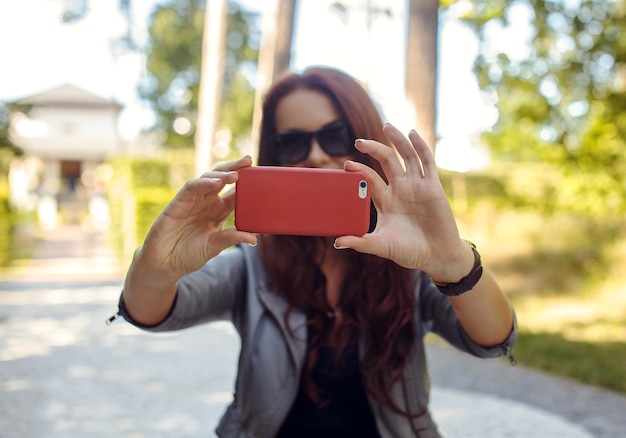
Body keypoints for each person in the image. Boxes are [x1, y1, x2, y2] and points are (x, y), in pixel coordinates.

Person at [116, 66, 517, 437]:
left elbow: (493, 340)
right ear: (274, 156)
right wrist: (155, 267)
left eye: (335, 136)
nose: (315, 155)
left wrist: (453, 263)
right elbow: (151, 312)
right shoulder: (253, 261)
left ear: (365, 141)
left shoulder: (409, 261)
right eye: (291, 142)